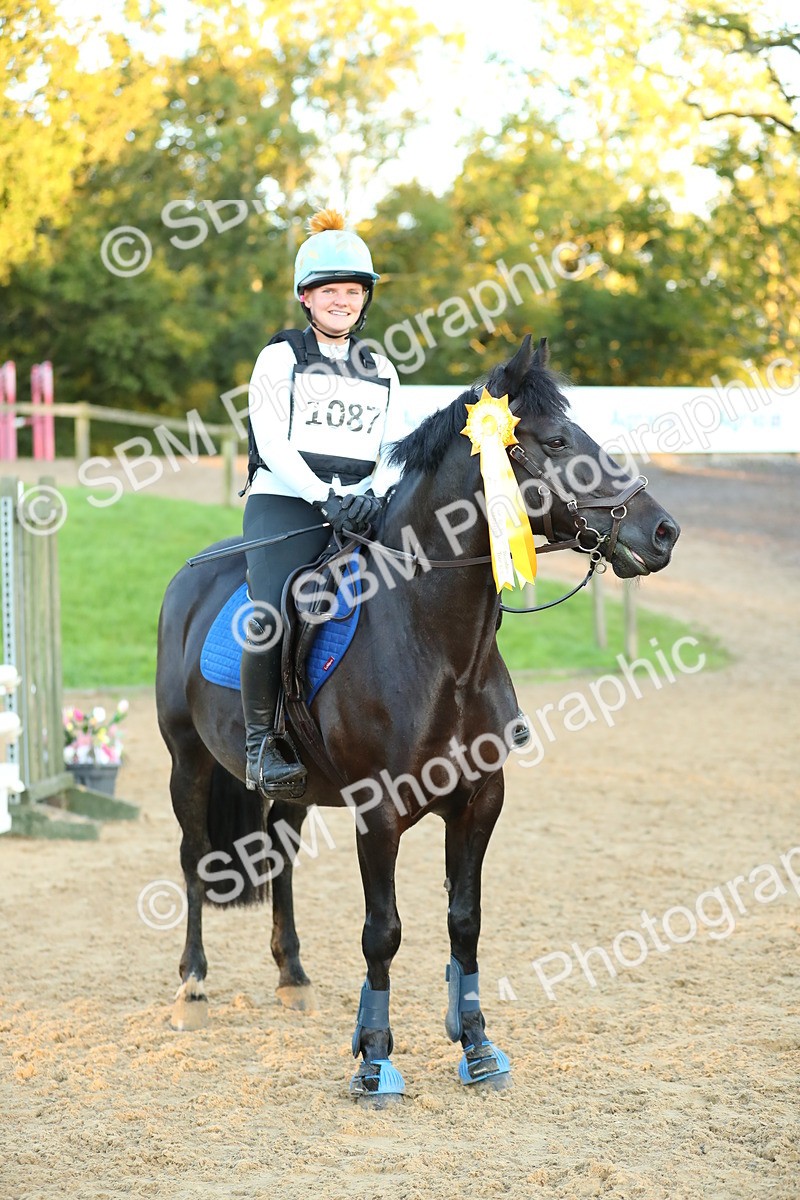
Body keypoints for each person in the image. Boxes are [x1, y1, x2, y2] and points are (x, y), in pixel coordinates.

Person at [240, 208, 405, 796]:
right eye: (329, 291)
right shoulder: (279, 357)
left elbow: (391, 446)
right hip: (286, 504)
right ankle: (261, 742)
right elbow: (273, 442)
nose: (342, 301)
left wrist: (370, 495)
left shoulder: (381, 367)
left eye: (352, 292)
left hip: (360, 509)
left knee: (431, 584)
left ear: (365, 301)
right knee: (274, 612)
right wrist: (325, 497)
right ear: (306, 298)